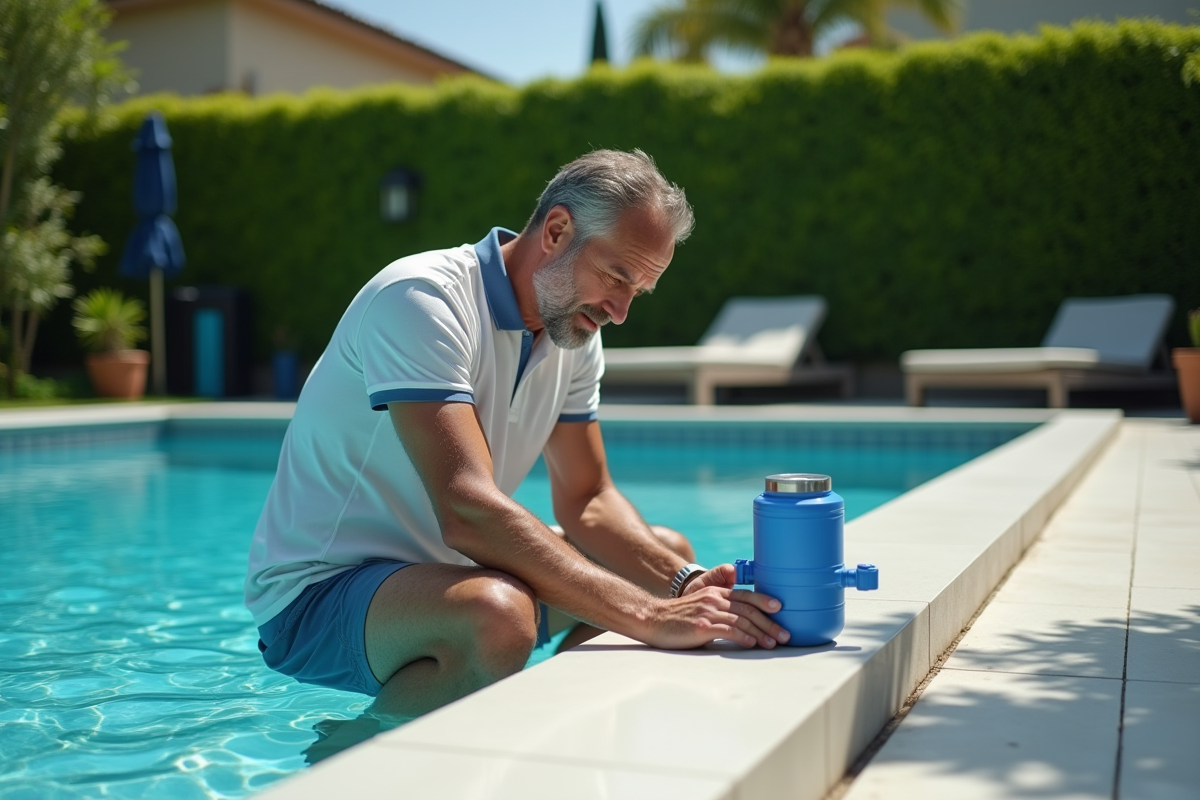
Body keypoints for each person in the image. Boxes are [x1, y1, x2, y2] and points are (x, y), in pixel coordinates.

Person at [244, 149, 789, 723]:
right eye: (616, 277)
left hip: (447, 572)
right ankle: (352, 765)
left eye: (638, 292)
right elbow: (466, 506)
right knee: (498, 618)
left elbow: (589, 500)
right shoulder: (422, 300)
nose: (622, 312)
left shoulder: (573, 335)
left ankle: (566, 739)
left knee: (666, 553)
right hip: (318, 593)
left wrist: (683, 582)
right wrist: (648, 615)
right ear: (556, 231)